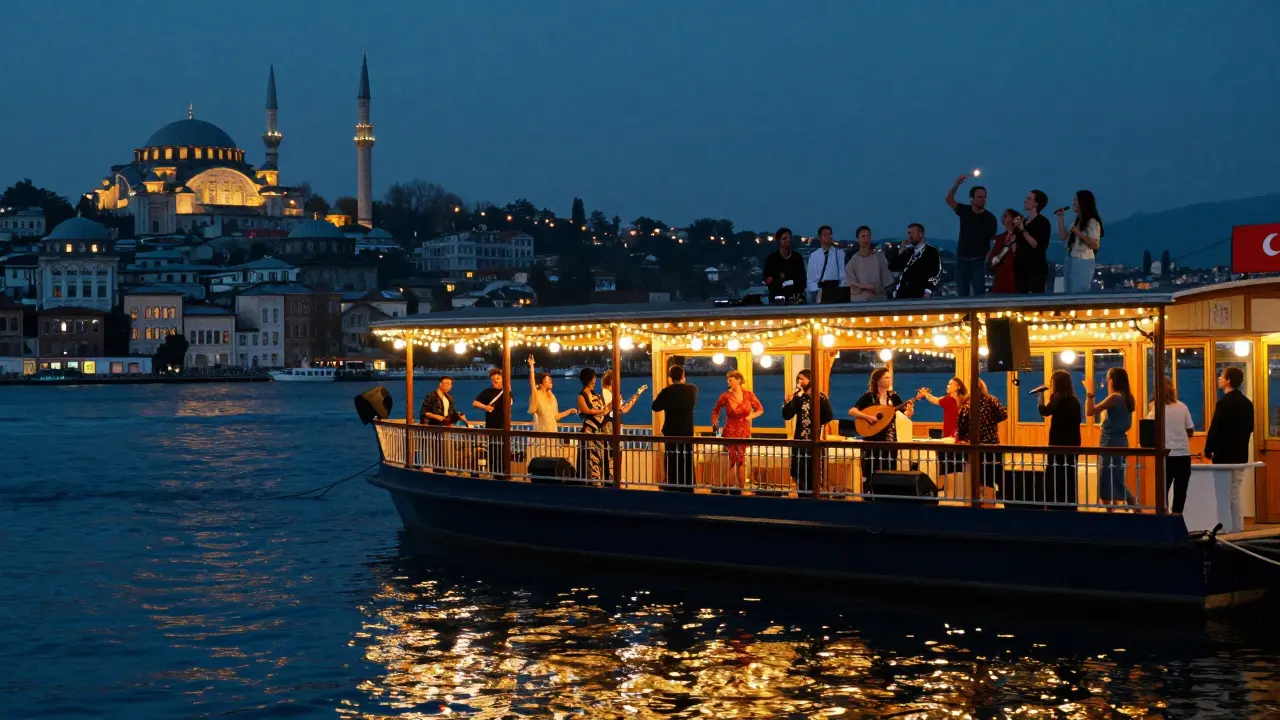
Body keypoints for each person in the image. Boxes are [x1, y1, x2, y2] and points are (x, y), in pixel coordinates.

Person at [849, 367, 916, 489]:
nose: (889, 380)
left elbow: (906, 415)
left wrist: (910, 409)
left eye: (889, 377)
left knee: (889, 468)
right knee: (871, 468)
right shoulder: (869, 397)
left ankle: (887, 493)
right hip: (872, 439)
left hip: (889, 439)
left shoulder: (893, 397)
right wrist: (868, 417)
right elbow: (852, 411)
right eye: (886, 377)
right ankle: (869, 493)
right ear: (877, 381)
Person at [1085, 367, 1136, 509]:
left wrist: (1089, 394)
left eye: (1107, 379)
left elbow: (1090, 411)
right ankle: (1134, 506)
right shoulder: (1128, 397)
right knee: (1117, 476)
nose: (1106, 382)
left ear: (1112, 381)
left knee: (1106, 476)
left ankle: (1111, 511)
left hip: (1109, 441)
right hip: (1122, 441)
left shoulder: (1115, 397)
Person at [710, 370, 764, 494]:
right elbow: (716, 410)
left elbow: (760, 409)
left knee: (741, 459)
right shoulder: (725, 396)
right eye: (727, 379)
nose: (728, 381)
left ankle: (740, 488)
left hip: (743, 429)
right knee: (733, 458)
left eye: (730, 379)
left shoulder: (748, 394)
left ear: (739, 380)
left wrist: (750, 417)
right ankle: (726, 486)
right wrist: (715, 422)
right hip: (730, 429)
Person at [1148, 376, 1195, 516]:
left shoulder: (1156, 409)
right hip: (1183, 455)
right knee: (1180, 492)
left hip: (1166, 455)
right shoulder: (1182, 406)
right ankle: (1177, 519)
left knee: (1162, 492)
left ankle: (1164, 520)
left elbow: (1149, 429)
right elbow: (1190, 430)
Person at [781, 368, 833, 495]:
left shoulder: (820, 397)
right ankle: (801, 495)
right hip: (799, 440)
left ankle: (813, 495)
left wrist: (815, 423)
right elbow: (787, 415)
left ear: (810, 380)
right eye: (798, 379)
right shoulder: (799, 398)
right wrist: (788, 401)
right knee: (800, 471)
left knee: (812, 470)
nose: (800, 382)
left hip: (813, 440)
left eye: (802, 379)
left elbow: (829, 415)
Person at [945, 174, 997, 297]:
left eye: (984, 197)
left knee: (979, 293)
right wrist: (956, 184)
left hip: (978, 260)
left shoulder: (990, 218)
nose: (982, 199)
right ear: (971, 199)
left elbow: (992, 241)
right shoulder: (965, 211)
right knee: (962, 294)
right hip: (962, 259)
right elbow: (948, 199)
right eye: (979, 197)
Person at [1036, 370, 1082, 507]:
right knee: (1069, 474)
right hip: (1073, 443)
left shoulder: (1059, 398)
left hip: (1058, 442)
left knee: (1055, 474)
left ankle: (1054, 503)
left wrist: (1040, 396)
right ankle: (1070, 503)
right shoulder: (1075, 400)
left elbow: (1044, 411)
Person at [651, 364, 699, 491]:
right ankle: (688, 486)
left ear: (670, 377)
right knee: (686, 458)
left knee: (672, 458)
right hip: (686, 431)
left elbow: (655, 406)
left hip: (671, 431)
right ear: (683, 376)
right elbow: (693, 399)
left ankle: (672, 484)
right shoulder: (692, 389)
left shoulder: (667, 391)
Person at [956, 379, 1008, 490]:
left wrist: (963, 438)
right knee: (998, 475)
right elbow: (1003, 415)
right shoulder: (991, 400)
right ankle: (1002, 498)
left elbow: (961, 426)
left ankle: (982, 500)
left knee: (981, 477)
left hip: (975, 446)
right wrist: (992, 421)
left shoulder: (967, 405)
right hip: (992, 444)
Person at [527, 355, 576, 461]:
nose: (550, 382)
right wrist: (531, 366)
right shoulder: (537, 394)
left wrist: (569, 411)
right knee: (542, 457)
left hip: (552, 430)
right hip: (542, 430)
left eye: (550, 380)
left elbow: (556, 416)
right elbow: (532, 383)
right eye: (547, 381)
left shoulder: (552, 397)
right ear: (541, 383)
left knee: (552, 457)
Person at [920, 377, 967, 487]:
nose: (948, 386)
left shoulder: (949, 399)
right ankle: (958, 485)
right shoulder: (964, 399)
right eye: (948, 384)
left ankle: (945, 485)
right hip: (960, 435)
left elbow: (935, 400)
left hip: (950, 436)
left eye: (951, 384)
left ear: (958, 387)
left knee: (946, 462)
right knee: (958, 463)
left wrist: (925, 394)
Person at [1204, 366, 1254, 464]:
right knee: (1237, 479)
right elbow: (1250, 427)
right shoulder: (1247, 403)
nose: (1219, 378)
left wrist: (1208, 450)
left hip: (1222, 455)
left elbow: (1215, 428)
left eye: (1222, 376)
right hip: (1241, 454)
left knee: (1222, 479)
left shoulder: (1223, 403)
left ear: (1228, 380)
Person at [1057, 190, 1103, 294]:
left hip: (1083, 260)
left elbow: (1095, 245)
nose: (1073, 203)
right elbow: (1063, 236)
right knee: (1068, 291)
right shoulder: (1076, 221)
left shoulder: (1092, 222)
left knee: (1078, 291)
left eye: (1076, 200)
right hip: (1070, 259)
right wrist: (1060, 220)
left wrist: (1080, 234)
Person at [888, 223, 942, 299]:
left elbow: (936, 272)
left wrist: (928, 291)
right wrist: (902, 251)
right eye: (908, 233)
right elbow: (893, 267)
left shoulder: (931, 252)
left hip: (919, 295)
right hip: (902, 296)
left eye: (912, 233)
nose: (909, 236)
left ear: (921, 234)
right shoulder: (908, 252)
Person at [1012, 189, 1050, 294]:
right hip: (1020, 269)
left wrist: (1023, 230)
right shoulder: (1024, 221)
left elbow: (1036, 244)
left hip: (1035, 270)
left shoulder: (1042, 222)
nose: (1025, 200)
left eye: (1029, 198)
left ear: (1036, 204)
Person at [575, 367, 610, 483]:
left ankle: (600, 480)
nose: (594, 382)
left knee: (600, 458)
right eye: (593, 380)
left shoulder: (596, 395)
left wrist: (607, 409)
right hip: (589, 430)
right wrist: (602, 411)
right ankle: (592, 482)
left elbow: (604, 409)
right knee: (590, 458)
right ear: (588, 380)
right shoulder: (581, 396)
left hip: (599, 431)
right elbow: (586, 411)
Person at [844, 225, 894, 302]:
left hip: (878, 300)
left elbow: (887, 281)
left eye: (868, 236)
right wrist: (865, 286)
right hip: (859, 301)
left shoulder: (879, 257)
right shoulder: (853, 260)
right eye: (863, 236)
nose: (866, 238)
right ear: (858, 239)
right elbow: (848, 282)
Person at [473, 368, 509, 477]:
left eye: (498, 378)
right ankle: (494, 472)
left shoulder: (506, 391)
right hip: (492, 424)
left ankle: (504, 472)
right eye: (493, 379)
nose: (495, 380)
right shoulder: (487, 392)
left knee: (504, 449)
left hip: (504, 425)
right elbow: (475, 403)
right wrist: (486, 407)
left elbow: (510, 404)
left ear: (503, 379)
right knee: (493, 449)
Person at [762, 226, 806, 303]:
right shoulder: (772, 259)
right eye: (784, 238)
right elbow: (767, 278)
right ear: (779, 240)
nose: (788, 240)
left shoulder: (797, 257)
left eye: (790, 238)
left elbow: (802, 279)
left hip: (796, 298)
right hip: (777, 299)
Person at [805, 225, 846, 303]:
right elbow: (810, 278)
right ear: (820, 238)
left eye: (830, 234)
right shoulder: (814, 256)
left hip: (836, 289)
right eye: (825, 235)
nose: (828, 237)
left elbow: (843, 275)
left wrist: (841, 288)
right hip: (819, 290)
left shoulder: (839, 253)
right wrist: (817, 291)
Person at [986, 210, 1020, 294]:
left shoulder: (1022, 238)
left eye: (1006, 216)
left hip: (1016, 282)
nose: (1003, 218)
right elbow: (991, 263)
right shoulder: (998, 239)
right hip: (1000, 281)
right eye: (1003, 216)